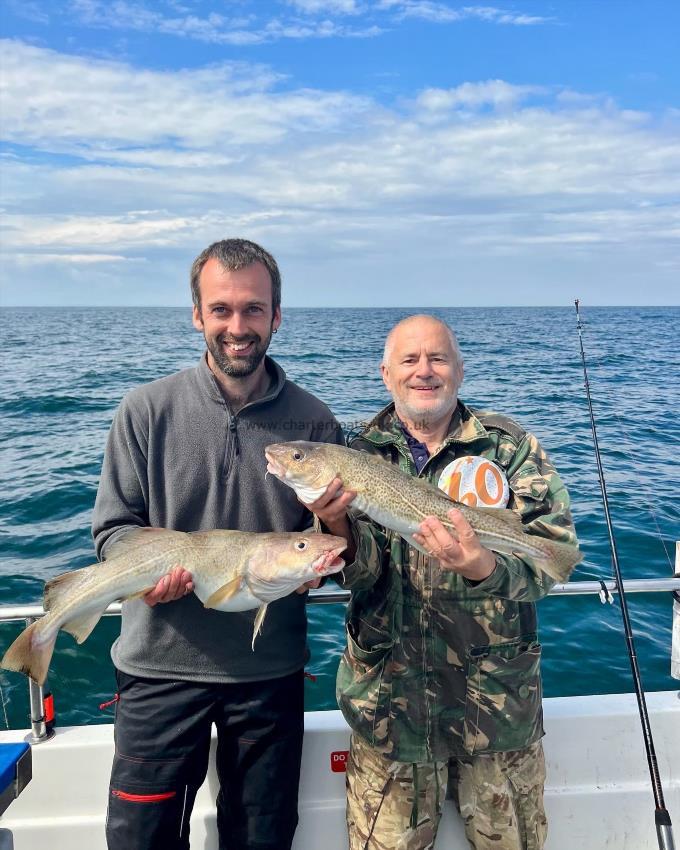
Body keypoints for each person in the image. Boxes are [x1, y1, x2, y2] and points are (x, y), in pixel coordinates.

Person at [92, 238, 343, 850]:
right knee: (140, 840)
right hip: (157, 667)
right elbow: (112, 529)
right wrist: (145, 572)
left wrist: (333, 546)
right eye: (222, 309)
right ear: (198, 314)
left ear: (277, 316)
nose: (238, 326)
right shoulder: (144, 411)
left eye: (254, 310)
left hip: (269, 671)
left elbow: (338, 548)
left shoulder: (315, 423)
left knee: (262, 837)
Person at [306, 314, 579, 850]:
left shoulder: (510, 447)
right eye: (409, 360)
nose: (423, 372)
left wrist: (483, 567)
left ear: (459, 369)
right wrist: (335, 524)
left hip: (496, 708)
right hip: (391, 709)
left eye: (437, 358)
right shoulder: (356, 455)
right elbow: (361, 575)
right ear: (385, 373)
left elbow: (555, 560)